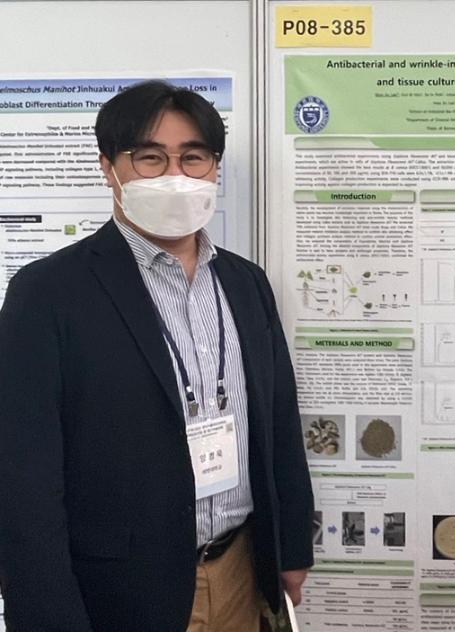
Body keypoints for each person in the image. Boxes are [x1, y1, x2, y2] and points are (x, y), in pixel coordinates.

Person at [0, 80, 314, 631]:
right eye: (150, 157)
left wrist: (291, 548)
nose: (175, 175)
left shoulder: (245, 283)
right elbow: (23, 474)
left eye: (193, 157)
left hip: (241, 569)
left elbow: (279, 420)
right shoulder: (48, 292)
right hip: (122, 588)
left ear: (214, 167)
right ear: (109, 168)